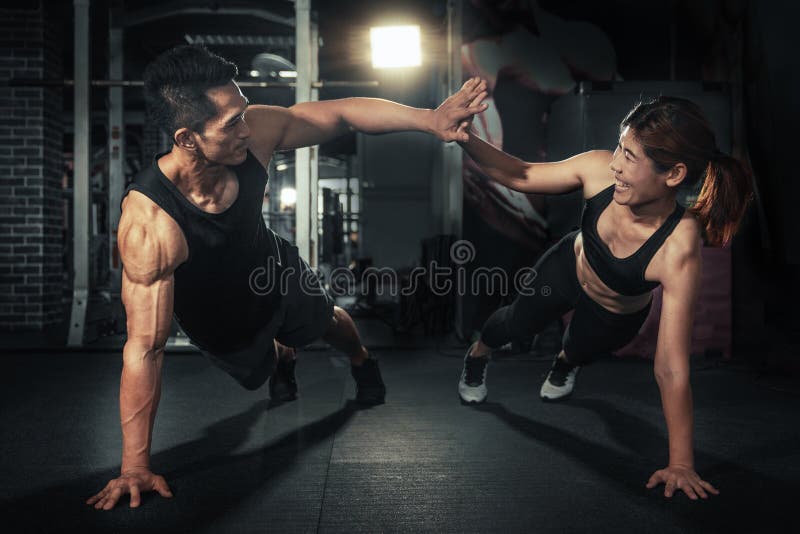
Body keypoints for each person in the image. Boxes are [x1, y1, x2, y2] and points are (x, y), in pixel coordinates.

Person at [87, 45, 487, 511]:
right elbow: (144, 348)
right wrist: (134, 466)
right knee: (255, 367)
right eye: (230, 123)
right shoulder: (150, 222)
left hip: (271, 270)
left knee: (330, 322)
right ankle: (280, 356)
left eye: (242, 113)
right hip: (216, 314)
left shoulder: (254, 133)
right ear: (188, 138)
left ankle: (362, 363)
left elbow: (341, 114)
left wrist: (429, 119)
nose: (245, 128)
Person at [456, 91, 752, 500]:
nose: (615, 162)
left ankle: (565, 362)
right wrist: (464, 135)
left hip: (616, 312)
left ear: (674, 174)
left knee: (578, 350)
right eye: (619, 146)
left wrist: (681, 463)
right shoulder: (599, 171)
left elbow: (670, 365)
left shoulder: (679, 247)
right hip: (567, 269)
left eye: (630, 157)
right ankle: (478, 355)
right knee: (513, 323)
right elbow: (521, 175)